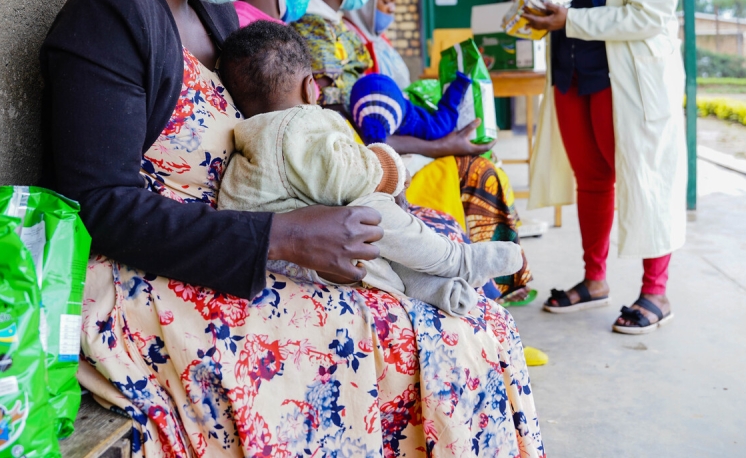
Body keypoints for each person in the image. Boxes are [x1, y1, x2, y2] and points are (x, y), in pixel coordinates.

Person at [40, 0, 543, 456]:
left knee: (471, 297)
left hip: (252, 236)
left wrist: (318, 209)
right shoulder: (111, 14)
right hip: (161, 277)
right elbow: (100, 205)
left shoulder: (212, 11)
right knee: (444, 339)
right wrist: (288, 234)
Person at [216, 21, 524, 317]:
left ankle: (429, 287)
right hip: (316, 256)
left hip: (279, 255)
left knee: (366, 223)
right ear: (310, 87)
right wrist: (392, 170)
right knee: (370, 205)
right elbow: (346, 177)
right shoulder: (295, 126)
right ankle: (457, 260)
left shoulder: (253, 135)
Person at [525, 0, 686, 334]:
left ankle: (656, 292)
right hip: (575, 77)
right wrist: (538, 9)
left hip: (628, 82)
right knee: (592, 181)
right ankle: (595, 281)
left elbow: (648, 15)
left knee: (645, 179)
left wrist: (568, 18)